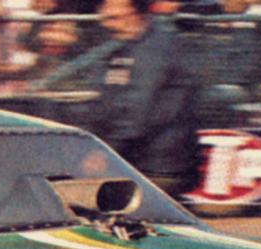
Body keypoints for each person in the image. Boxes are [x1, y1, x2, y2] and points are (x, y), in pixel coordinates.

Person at [58, 0, 199, 193]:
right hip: (135, 157)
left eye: (113, 14)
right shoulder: (124, 45)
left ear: (135, 12)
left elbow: (137, 111)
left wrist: (105, 151)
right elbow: (106, 100)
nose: (106, 20)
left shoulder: (155, 49)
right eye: (104, 13)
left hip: (158, 164)